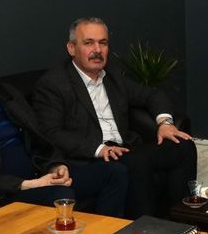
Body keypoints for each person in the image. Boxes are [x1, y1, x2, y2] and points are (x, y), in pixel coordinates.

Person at [0, 29, 128, 216]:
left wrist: (55, 166)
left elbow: (41, 140)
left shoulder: (8, 94)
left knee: (113, 172)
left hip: (39, 177)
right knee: (60, 194)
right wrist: (28, 184)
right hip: (2, 193)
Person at [32, 17, 196, 218]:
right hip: (91, 159)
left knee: (184, 145)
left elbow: (152, 95)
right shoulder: (54, 84)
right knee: (136, 163)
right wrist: (99, 149)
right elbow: (52, 133)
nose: (97, 50)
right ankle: (145, 230)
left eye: (103, 43)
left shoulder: (112, 75)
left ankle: (184, 221)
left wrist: (165, 123)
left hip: (125, 148)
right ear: (71, 48)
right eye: (89, 43)